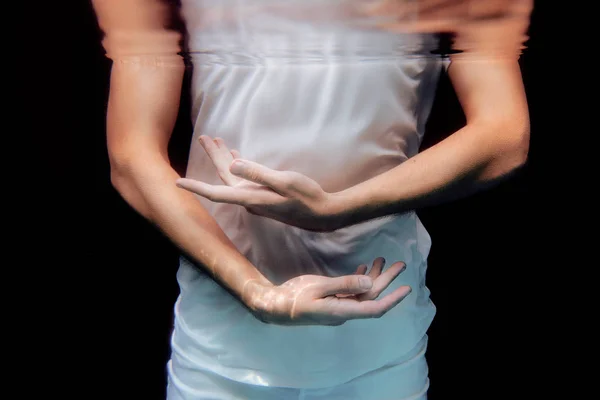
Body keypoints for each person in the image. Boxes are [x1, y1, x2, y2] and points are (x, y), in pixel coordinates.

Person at [91, 0, 532, 398]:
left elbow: (504, 135)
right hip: (221, 349)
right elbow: (132, 155)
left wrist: (336, 210)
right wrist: (255, 290)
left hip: (381, 337)